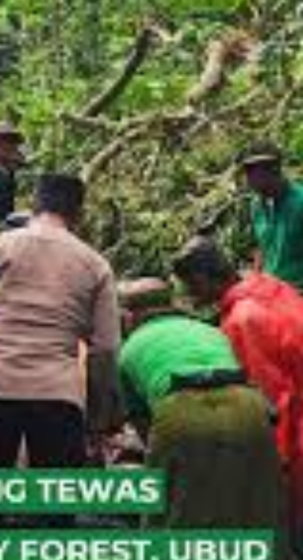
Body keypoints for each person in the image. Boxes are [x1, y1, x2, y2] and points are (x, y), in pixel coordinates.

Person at [0, 173, 121, 527]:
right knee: (53, 515)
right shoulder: (95, 264)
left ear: (35, 205)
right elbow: (105, 348)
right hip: (58, 395)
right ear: (79, 213)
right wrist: (98, 416)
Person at [118, 278, 285, 533]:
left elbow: (144, 425)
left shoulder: (128, 349)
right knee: (257, 510)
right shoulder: (210, 330)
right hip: (248, 404)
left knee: (168, 514)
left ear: (128, 316)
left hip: (180, 408)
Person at [173, 236, 303, 550]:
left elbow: (269, 398)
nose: (190, 295)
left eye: (191, 285)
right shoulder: (270, 285)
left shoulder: (242, 320)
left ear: (204, 278)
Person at [238, 141, 303, 293]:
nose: (248, 178)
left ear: (274, 169)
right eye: (247, 170)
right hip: (272, 292)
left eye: (253, 170)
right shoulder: (257, 205)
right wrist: (256, 278)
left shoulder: (300, 203)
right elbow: (262, 247)